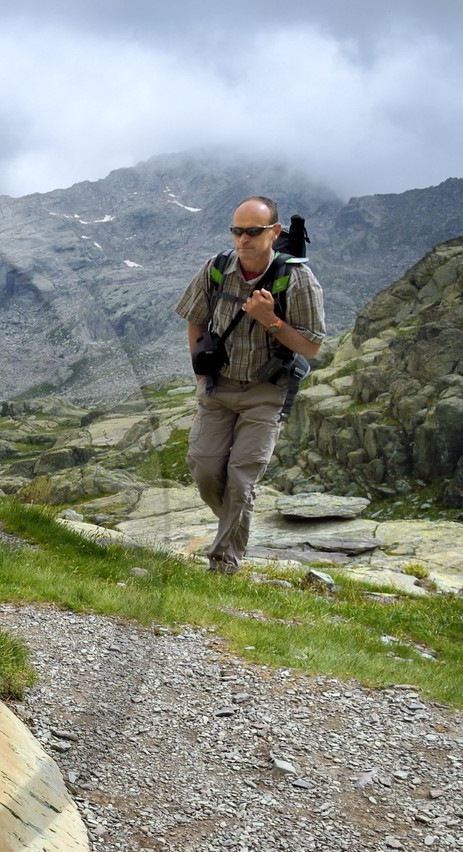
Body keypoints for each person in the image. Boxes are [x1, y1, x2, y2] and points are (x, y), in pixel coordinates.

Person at [175, 196, 326, 574]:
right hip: (218, 388)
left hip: (266, 392)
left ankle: (224, 565)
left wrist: (269, 319)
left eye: (253, 231)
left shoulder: (297, 278)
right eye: (237, 231)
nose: (243, 239)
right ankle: (235, 523)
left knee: (242, 480)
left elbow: (312, 346)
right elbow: (195, 319)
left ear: (274, 232)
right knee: (206, 471)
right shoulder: (217, 268)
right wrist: (199, 373)